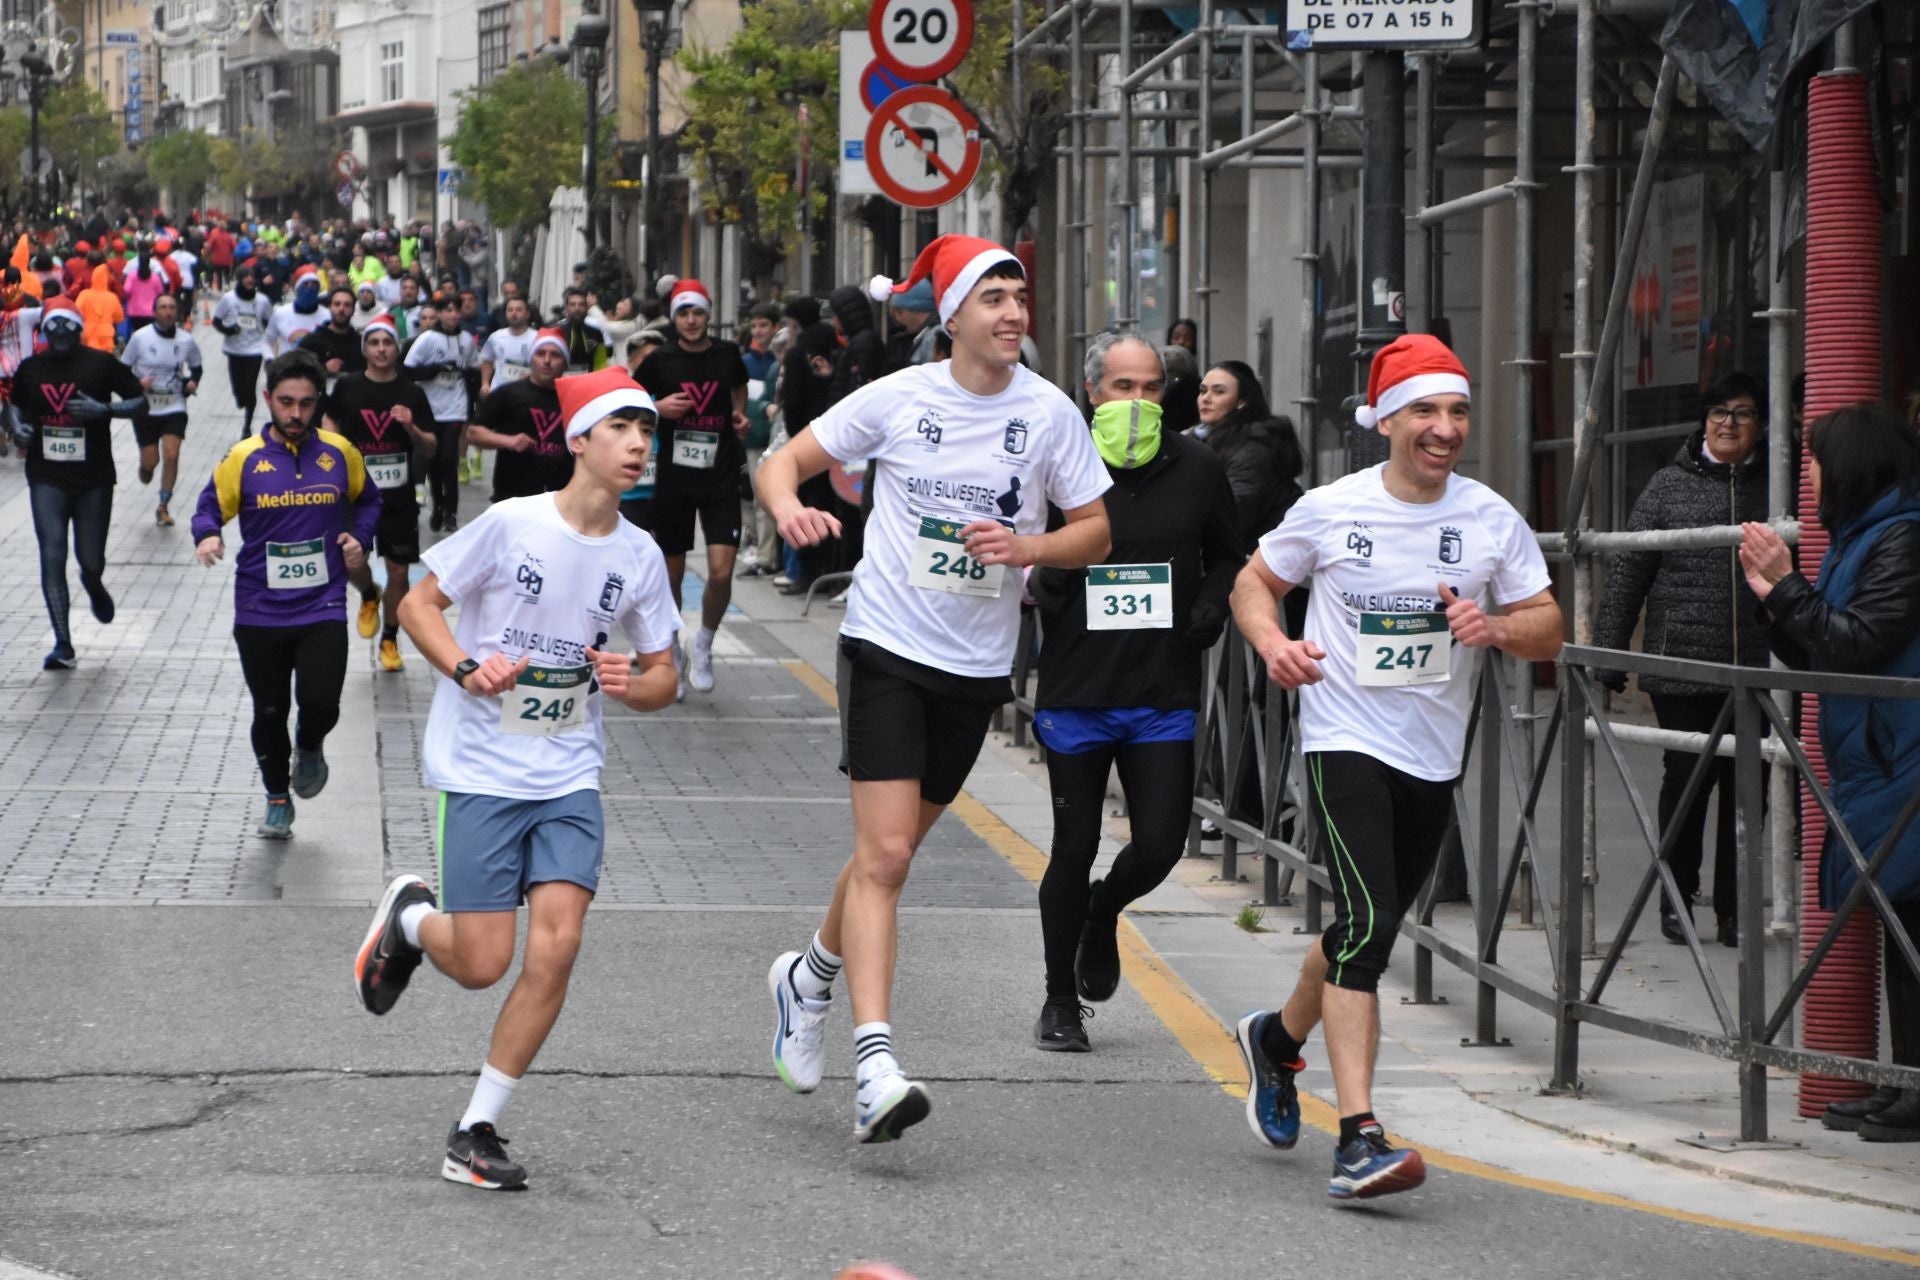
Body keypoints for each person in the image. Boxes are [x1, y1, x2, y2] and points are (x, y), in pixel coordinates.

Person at [756, 235, 1111, 1142]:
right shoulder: (900, 398)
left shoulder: (1052, 413)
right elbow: (780, 462)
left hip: (976, 667)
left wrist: (1029, 549)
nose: (1012, 314)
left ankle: (808, 978)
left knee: (892, 849)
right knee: (887, 859)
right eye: (992, 298)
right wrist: (788, 507)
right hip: (884, 646)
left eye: (1019, 298)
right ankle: (875, 1062)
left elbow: (1095, 532)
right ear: (951, 315)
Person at [1229, 333, 1561, 1200]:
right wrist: (1273, 643)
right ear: (1387, 420)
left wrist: (1496, 630)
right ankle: (1359, 1137)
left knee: (1356, 931)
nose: (1444, 428)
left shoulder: (1489, 518)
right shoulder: (1333, 509)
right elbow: (1252, 583)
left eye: (1456, 411)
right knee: (1371, 929)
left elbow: (1549, 623)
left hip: (1432, 753)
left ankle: (1273, 1041)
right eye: (1425, 411)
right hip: (1344, 736)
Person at [353, 366, 679, 1191]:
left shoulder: (639, 556)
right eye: (621, 429)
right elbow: (416, 608)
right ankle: (412, 920)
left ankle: (476, 1128)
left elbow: (663, 676)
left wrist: (628, 683)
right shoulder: (511, 524)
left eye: (647, 430)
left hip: (570, 770)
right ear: (579, 441)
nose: (640, 444)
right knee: (480, 962)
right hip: (484, 767)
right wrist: (467, 669)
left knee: (560, 945)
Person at [1028, 332, 1242, 1051]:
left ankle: (1103, 910)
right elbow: (1015, 547)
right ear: (1093, 392)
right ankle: (1061, 1002)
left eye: (1151, 388)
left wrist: (1213, 602)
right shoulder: (1060, 464)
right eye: (1123, 388)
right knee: (1072, 844)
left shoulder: (1200, 467)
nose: (1139, 401)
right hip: (1077, 685)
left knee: (1159, 844)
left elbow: (1228, 554)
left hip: (1162, 686)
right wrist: (1045, 577)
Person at [1740, 402, 1920, 1142]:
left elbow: (1861, 641)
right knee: (1898, 922)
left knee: (1912, 922)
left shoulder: (1903, 538)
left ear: (1846, 464)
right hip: (1877, 764)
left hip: (1903, 763)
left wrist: (1787, 588)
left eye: (1812, 461)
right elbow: (1818, 650)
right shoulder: (1865, 537)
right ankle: (1902, 1082)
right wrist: (1771, 602)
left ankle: (1911, 1089)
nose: (1806, 476)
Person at [1594, 372, 1770, 947]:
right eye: (1718, 412)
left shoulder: (1776, 484)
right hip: (1681, 663)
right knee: (1686, 782)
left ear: (1761, 425)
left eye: (1741, 413)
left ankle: (1733, 908)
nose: (1727, 424)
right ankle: (1676, 897)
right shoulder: (1668, 485)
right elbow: (1628, 576)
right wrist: (1608, 656)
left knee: (1749, 787)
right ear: (1703, 421)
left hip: (1757, 667)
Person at [192, 352, 380, 837]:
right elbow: (210, 505)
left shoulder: (339, 452)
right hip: (259, 609)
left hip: (322, 604)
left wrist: (360, 536)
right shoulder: (244, 458)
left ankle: (311, 743)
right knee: (269, 710)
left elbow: (369, 500)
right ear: (268, 400)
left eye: (306, 404)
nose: (296, 415)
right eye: (286, 403)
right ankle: (277, 797)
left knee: (322, 703)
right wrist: (207, 534)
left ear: (319, 403)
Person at [12, 298, 148, 669]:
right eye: (51, 325)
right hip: (46, 475)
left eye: (66, 325)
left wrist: (106, 410)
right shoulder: (31, 368)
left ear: (79, 328)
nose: (59, 333)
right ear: (42, 329)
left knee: (90, 560)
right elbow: (16, 404)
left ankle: (94, 583)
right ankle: (63, 643)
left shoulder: (100, 364)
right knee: (52, 554)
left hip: (94, 478)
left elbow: (140, 401)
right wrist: (18, 428)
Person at [634, 279, 749, 695]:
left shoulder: (727, 354)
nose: (691, 320)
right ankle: (672, 651)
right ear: (674, 318)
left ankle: (704, 642)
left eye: (698, 312)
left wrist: (737, 415)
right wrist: (657, 407)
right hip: (674, 480)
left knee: (721, 573)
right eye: (683, 313)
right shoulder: (660, 359)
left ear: (708, 314)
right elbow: (630, 397)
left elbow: (738, 385)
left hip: (719, 474)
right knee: (672, 574)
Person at [323, 313, 438, 672]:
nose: (381, 349)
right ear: (365, 349)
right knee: (349, 560)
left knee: (400, 573)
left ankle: (390, 638)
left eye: (387, 342)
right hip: (356, 494)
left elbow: (431, 447)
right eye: (374, 343)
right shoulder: (347, 387)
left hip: (398, 498)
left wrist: (411, 427)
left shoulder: (412, 393)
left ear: (397, 348)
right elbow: (330, 427)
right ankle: (369, 592)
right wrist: (336, 454)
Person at [120, 293, 203, 527]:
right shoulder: (140, 338)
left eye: (171, 307)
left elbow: (197, 368)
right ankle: (145, 468)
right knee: (151, 462)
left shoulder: (186, 341)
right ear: (155, 312)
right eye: (163, 307)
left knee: (171, 454)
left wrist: (192, 382)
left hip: (174, 405)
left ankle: (163, 505)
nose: (167, 311)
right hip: (146, 407)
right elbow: (122, 370)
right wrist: (137, 385)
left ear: (177, 312)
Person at [468, 327, 572, 503]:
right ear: (531, 358)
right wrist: (509, 441)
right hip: (512, 495)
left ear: (564, 363)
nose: (546, 361)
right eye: (540, 353)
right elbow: (473, 433)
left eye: (555, 355)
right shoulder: (508, 394)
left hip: (560, 500)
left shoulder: (574, 398)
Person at [405, 293, 479, 531]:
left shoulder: (467, 339)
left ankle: (451, 512)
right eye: (447, 310)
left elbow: (473, 370)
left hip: (454, 408)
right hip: (430, 408)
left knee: (449, 459)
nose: (453, 314)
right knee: (434, 461)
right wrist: (434, 370)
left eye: (456, 310)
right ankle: (438, 505)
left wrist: (471, 403)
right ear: (438, 313)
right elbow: (408, 371)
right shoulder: (427, 339)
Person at [739, 303, 781, 577]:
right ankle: (762, 550)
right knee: (757, 497)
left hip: (779, 439)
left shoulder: (780, 360)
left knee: (770, 498)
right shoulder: (746, 362)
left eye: (763, 325)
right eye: (754, 326)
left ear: (776, 327)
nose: (758, 331)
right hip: (754, 439)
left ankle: (769, 555)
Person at [212, 263, 275, 437]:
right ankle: (242, 400)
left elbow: (270, 323)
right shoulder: (229, 299)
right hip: (234, 349)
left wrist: (270, 344)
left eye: (251, 277)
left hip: (255, 349)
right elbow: (216, 321)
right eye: (246, 277)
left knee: (250, 387)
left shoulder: (262, 301)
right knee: (238, 390)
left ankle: (247, 425)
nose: (249, 280)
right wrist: (229, 330)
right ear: (239, 280)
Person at [297, 287, 368, 395]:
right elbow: (297, 371)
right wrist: (323, 368)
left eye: (347, 305)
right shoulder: (311, 341)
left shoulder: (361, 343)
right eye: (337, 304)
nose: (341, 309)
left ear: (353, 310)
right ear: (330, 307)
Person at [478, 296, 536, 397]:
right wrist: (485, 383)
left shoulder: (537, 337)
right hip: (499, 393)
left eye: (518, 310)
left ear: (527, 314)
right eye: (510, 310)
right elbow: (487, 360)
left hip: (527, 393)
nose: (514, 313)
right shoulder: (496, 337)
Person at [267, 265, 325, 355]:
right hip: (288, 366)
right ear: (297, 288)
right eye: (305, 284)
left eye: (313, 284)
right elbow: (269, 341)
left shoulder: (327, 315)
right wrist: (271, 361)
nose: (309, 289)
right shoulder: (280, 312)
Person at [557, 287, 607, 374]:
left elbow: (601, 364)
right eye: (572, 304)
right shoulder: (556, 331)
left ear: (587, 307)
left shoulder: (596, 333)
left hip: (588, 383)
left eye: (581, 304)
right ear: (566, 308)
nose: (577, 308)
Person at [76, 264, 122, 353]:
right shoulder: (112, 297)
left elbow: (77, 311)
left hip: (87, 333)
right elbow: (119, 318)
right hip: (106, 334)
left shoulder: (84, 294)